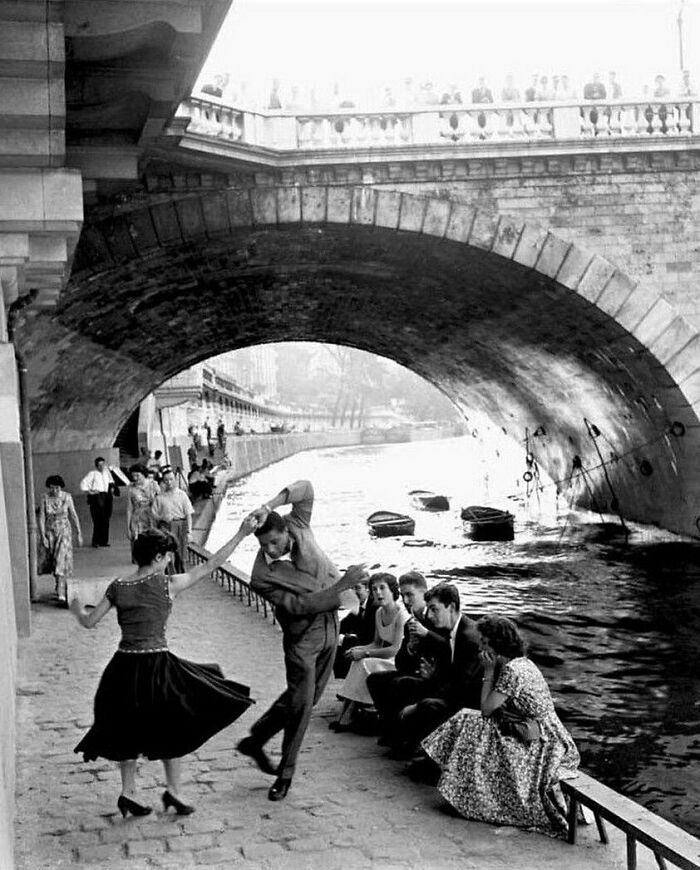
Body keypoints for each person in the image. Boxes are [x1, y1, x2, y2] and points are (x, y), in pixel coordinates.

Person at [71, 523, 257, 817]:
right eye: (169, 556)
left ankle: (128, 793)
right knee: (172, 725)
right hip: (158, 666)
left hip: (122, 669)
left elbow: (89, 621)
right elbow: (212, 565)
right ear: (158, 557)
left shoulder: (118, 586)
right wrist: (242, 533)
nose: (171, 560)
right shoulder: (167, 584)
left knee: (125, 729)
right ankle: (173, 791)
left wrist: (75, 606)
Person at [235, 480, 368, 802]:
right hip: (302, 639)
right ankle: (286, 773)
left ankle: (256, 739)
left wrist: (268, 504)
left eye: (275, 542)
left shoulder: (297, 524)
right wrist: (343, 586)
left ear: (285, 531)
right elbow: (299, 606)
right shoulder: (261, 577)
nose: (271, 549)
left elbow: (306, 488)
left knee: (302, 698)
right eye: (264, 545)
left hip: (330, 628)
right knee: (302, 705)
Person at [422, 615, 580, 838]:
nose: (481, 646)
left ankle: (464, 789)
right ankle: (457, 783)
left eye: (485, 642)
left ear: (497, 644)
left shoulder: (512, 671)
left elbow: (487, 709)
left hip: (541, 743)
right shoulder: (523, 662)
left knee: (472, 724)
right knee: (471, 721)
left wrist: (487, 671)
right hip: (542, 733)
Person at [392, 583, 482, 769]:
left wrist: (417, 704)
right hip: (454, 689)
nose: (430, 615)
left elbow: (463, 686)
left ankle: (433, 761)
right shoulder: (452, 630)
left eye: (434, 609)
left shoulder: (469, 637)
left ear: (452, 607)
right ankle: (410, 744)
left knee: (427, 705)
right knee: (404, 684)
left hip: (472, 703)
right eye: (429, 610)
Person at [367, 571, 449, 750]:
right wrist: (410, 648)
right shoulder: (410, 622)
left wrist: (425, 634)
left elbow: (447, 648)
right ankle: (392, 729)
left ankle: (409, 740)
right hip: (415, 672)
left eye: (410, 594)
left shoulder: (436, 619)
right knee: (375, 680)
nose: (405, 599)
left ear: (424, 593)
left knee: (402, 683)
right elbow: (400, 663)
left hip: (436, 677)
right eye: (403, 595)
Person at [331, 573, 410, 731]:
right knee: (357, 659)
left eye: (382, 588)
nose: (378, 593)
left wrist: (365, 653)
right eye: (374, 589)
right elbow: (376, 643)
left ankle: (348, 713)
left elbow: (395, 649)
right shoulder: (379, 612)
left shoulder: (401, 614)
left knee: (363, 662)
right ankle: (347, 710)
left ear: (393, 590)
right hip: (385, 656)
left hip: (397, 660)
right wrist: (359, 649)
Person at [38, 475, 83, 605]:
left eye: (57, 488)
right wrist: (43, 536)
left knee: (61, 559)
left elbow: (73, 515)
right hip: (50, 531)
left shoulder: (67, 497)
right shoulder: (45, 498)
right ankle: (58, 583)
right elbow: (41, 518)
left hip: (64, 531)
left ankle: (61, 589)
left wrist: (78, 532)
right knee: (53, 560)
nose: (55, 491)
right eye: (52, 488)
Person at [333, 577, 378, 679]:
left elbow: (370, 637)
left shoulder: (375, 607)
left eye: (357, 588)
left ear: (368, 589)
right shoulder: (360, 607)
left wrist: (344, 639)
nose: (353, 592)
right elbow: (343, 625)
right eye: (351, 589)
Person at [152, 468, 194, 572]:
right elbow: (153, 514)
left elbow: (188, 514)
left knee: (181, 553)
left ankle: (181, 575)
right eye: (166, 480)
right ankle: (169, 576)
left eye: (171, 479)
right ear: (163, 482)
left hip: (180, 524)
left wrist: (189, 531)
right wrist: (162, 517)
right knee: (167, 552)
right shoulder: (160, 497)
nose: (169, 482)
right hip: (165, 526)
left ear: (175, 479)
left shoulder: (182, 495)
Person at [80, 456, 119, 548]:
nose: (102, 466)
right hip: (97, 497)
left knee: (106, 519)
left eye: (103, 464)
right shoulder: (92, 473)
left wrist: (112, 488)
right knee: (97, 520)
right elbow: (83, 483)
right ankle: (95, 541)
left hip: (107, 497)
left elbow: (111, 482)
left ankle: (104, 541)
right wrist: (90, 491)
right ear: (96, 466)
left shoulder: (107, 473)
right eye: (100, 465)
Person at [126, 464, 159, 555]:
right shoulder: (131, 489)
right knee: (138, 543)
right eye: (133, 476)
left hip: (151, 517)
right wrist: (128, 528)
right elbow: (129, 508)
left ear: (144, 474)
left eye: (137, 475)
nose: (135, 478)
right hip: (137, 519)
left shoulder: (153, 485)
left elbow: (160, 501)